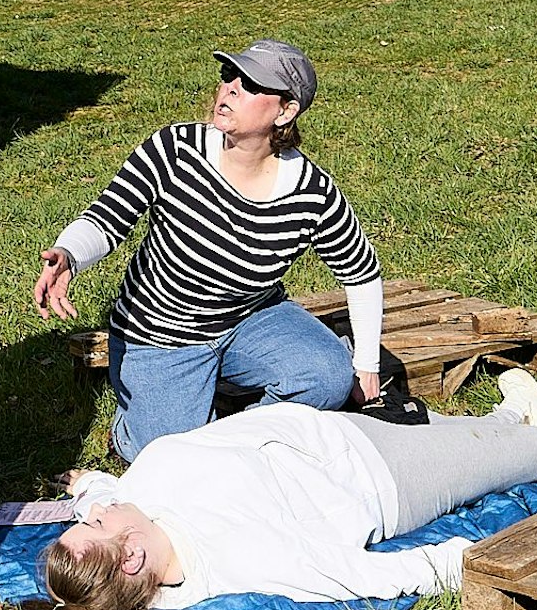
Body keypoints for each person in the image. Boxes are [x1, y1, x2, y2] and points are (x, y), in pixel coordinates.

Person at [22, 392, 537, 610]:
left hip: (337, 430)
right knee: (536, 455)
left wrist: (89, 491)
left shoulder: (136, 504)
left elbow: (102, 500)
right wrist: (475, 565)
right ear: (133, 556)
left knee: (475, 434)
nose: (98, 510)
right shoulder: (251, 561)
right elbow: (387, 575)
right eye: (96, 525)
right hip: (380, 476)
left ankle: (509, 411)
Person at [33, 40, 388, 462]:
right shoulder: (176, 149)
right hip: (160, 333)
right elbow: (107, 217)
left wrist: (366, 363)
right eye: (229, 77)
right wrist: (69, 254)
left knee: (328, 377)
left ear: (285, 111)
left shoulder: (312, 192)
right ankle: (136, 430)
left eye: (251, 84)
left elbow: (361, 273)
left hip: (251, 319)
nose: (229, 89)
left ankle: (235, 434)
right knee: (159, 454)